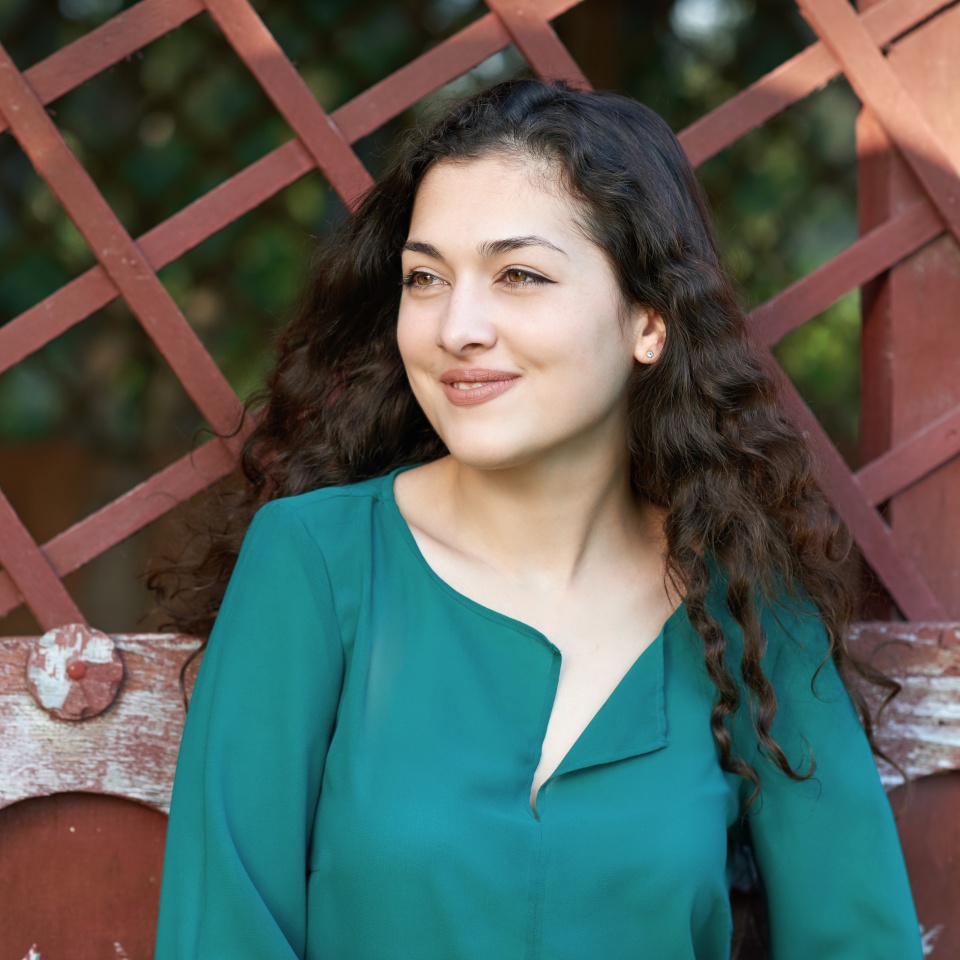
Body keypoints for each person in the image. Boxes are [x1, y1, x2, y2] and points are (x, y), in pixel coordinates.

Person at [151, 78, 923, 959]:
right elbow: (222, 934)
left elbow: (860, 942)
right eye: (426, 277)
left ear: (649, 320)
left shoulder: (751, 605)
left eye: (518, 275)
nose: (457, 326)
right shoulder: (316, 564)